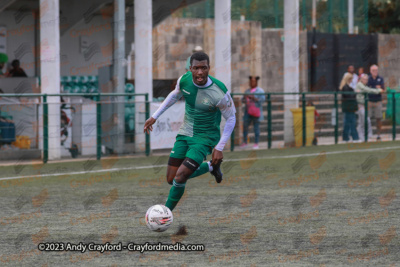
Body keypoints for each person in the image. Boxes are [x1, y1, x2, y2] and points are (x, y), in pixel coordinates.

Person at [143, 52, 236, 216]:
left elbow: (231, 118)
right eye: (196, 68)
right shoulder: (184, 80)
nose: (200, 72)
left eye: (204, 68)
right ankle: (210, 166)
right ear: (190, 68)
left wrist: (220, 147)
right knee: (171, 178)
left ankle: (164, 215)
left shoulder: (219, 91)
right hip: (185, 133)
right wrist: (154, 116)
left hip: (204, 139)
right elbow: (175, 94)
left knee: (180, 177)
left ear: (209, 68)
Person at [355, 74, 383, 141]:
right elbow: (367, 90)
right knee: (364, 120)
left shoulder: (364, 85)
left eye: (366, 79)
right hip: (360, 105)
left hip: (364, 105)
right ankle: (362, 136)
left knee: (364, 120)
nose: (366, 80)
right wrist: (378, 90)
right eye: (364, 79)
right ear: (361, 79)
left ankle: (365, 136)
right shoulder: (360, 84)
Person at [241, 76, 265, 149]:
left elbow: (262, 100)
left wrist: (253, 98)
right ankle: (245, 142)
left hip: (256, 112)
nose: (252, 83)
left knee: (256, 128)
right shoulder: (247, 91)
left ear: (256, 82)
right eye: (251, 81)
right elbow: (243, 100)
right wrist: (245, 98)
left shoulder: (260, 91)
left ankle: (256, 143)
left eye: (253, 81)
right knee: (245, 126)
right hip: (247, 112)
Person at [340, 73, 359, 142]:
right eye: (351, 79)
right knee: (351, 123)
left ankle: (346, 138)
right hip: (348, 107)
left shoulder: (348, 87)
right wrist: (355, 93)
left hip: (349, 107)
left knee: (348, 123)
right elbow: (348, 96)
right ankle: (354, 137)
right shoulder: (345, 87)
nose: (351, 80)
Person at [367, 64, 384, 141]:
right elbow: (367, 89)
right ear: (370, 71)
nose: (375, 72)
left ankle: (378, 135)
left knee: (378, 118)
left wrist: (377, 89)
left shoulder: (380, 78)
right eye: (373, 70)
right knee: (367, 118)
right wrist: (376, 89)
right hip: (369, 101)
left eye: (376, 70)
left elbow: (382, 89)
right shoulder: (368, 78)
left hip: (378, 101)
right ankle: (367, 134)